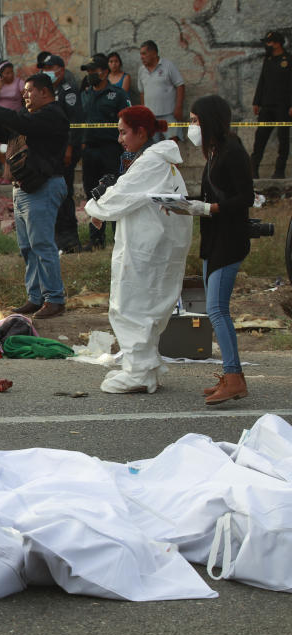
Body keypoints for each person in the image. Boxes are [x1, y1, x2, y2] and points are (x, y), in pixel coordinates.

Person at [84, 106, 192, 394]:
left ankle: (138, 372)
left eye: (123, 132)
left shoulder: (151, 162)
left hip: (146, 248)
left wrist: (93, 205)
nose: (120, 139)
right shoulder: (157, 160)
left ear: (140, 132)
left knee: (131, 306)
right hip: (153, 246)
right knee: (146, 307)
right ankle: (146, 365)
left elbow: (118, 199)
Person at [171, 95, 255, 405]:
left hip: (229, 241)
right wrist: (186, 204)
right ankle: (234, 377)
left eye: (194, 121)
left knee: (218, 310)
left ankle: (233, 377)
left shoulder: (232, 151)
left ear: (209, 121)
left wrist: (210, 207)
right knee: (216, 308)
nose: (192, 127)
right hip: (214, 239)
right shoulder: (216, 151)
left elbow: (245, 197)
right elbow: (210, 196)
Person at [0, 73, 69, 319]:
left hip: (43, 187)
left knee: (42, 245)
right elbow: (8, 133)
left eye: (28, 91)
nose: (23, 95)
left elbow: (20, 123)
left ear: (44, 92)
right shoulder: (31, 119)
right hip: (25, 187)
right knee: (27, 247)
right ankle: (36, 298)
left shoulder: (52, 115)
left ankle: (55, 298)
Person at [80, 54, 130, 250]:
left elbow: (128, 120)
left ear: (105, 72)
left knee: (114, 193)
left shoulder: (117, 94)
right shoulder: (85, 95)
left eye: (94, 70)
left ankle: (119, 238)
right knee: (93, 194)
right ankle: (96, 240)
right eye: (89, 71)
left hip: (111, 151)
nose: (91, 74)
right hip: (90, 151)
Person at [38, 54, 84, 253]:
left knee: (64, 195)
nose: (46, 70)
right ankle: (56, 239)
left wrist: (69, 148)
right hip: (49, 153)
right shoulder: (46, 91)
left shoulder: (68, 92)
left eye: (50, 67)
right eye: (44, 67)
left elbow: (74, 124)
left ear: (61, 69)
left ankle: (70, 240)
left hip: (64, 152)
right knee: (51, 196)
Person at [250, 31, 292, 179]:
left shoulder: (288, 60)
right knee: (260, 137)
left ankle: (279, 171)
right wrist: (257, 101)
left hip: (283, 106)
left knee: (283, 139)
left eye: (269, 43)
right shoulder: (267, 59)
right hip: (267, 105)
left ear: (277, 43)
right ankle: (253, 169)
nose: (267, 46)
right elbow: (262, 81)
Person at [137, 40, 185, 141]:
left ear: (154, 53)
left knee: (172, 143)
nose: (142, 57)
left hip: (169, 113)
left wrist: (179, 107)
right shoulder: (141, 70)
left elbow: (180, 85)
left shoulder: (168, 66)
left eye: (144, 53)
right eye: (141, 54)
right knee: (152, 146)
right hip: (150, 116)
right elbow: (142, 92)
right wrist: (143, 112)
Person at [0, 60, 24, 185]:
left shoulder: (19, 82)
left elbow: (26, 97)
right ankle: (9, 169)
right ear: (1, 74)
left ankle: (7, 174)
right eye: (7, 73)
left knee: (12, 146)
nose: (10, 75)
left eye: (11, 72)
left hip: (14, 119)